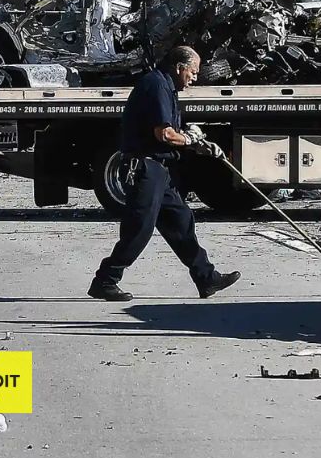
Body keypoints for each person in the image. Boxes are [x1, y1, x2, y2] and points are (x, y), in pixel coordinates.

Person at [88, 46, 241, 301]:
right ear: (179, 67)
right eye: (193, 72)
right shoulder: (156, 86)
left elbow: (172, 131)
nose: (195, 77)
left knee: (181, 221)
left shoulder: (167, 87)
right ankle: (105, 279)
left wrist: (200, 144)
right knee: (139, 229)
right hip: (145, 167)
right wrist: (190, 139)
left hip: (159, 169)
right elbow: (165, 134)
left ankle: (206, 278)